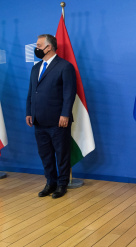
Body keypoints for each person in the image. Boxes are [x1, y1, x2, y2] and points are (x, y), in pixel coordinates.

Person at [26, 34, 76, 199]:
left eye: (39, 45)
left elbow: (69, 93)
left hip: (58, 121)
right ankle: (50, 182)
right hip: (38, 120)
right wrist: (29, 112)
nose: (37, 48)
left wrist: (65, 114)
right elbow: (32, 92)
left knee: (61, 154)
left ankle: (62, 184)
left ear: (49, 47)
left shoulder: (65, 66)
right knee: (45, 154)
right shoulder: (35, 68)